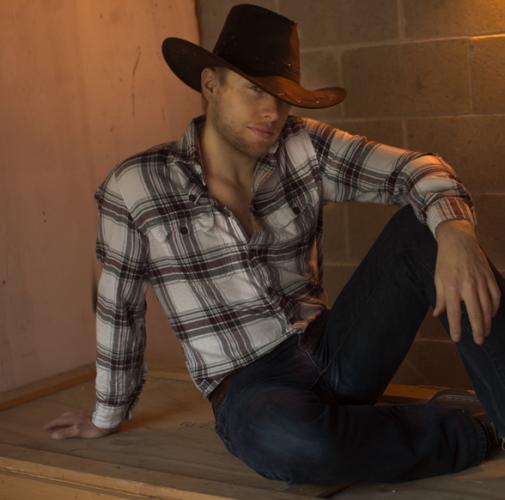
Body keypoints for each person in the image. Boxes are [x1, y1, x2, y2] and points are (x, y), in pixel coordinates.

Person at [45, 4, 505, 484]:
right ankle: (474, 430)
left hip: (335, 348)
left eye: (282, 98)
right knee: (293, 442)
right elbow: (119, 307)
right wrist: (107, 413)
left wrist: (457, 233)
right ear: (210, 85)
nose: (272, 112)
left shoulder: (304, 146)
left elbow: (419, 168)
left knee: (430, 228)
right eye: (255, 90)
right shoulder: (136, 185)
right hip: (252, 388)